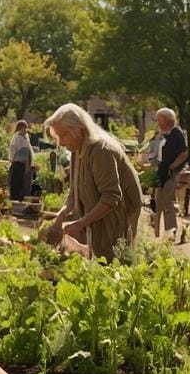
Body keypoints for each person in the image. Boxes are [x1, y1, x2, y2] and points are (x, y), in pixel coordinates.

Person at [42, 103, 143, 260]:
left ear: (80, 130)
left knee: (113, 261)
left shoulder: (101, 150)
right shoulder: (77, 150)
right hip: (100, 214)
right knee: (94, 258)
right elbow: (74, 193)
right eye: (57, 137)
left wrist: (80, 224)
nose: (60, 142)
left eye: (63, 135)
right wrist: (60, 216)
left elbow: (111, 198)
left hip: (119, 215)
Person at [152, 108, 188, 240]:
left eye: (159, 120)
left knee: (168, 202)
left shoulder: (176, 133)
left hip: (170, 174)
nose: (158, 123)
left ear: (168, 121)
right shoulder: (165, 134)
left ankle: (171, 232)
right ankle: (157, 233)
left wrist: (172, 166)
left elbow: (184, 153)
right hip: (162, 173)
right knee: (159, 202)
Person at [7, 120, 34, 201]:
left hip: (21, 164)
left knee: (19, 184)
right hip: (21, 164)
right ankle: (17, 200)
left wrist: (11, 159)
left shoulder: (21, 137)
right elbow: (13, 149)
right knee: (19, 184)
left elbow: (14, 149)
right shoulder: (21, 138)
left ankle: (17, 201)